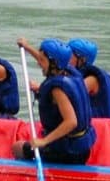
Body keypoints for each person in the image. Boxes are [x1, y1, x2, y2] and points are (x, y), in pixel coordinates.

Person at [13, 37, 95, 165]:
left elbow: (71, 122)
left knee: (17, 147)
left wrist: (44, 141)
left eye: (41, 60)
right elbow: (48, 59)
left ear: (53, 63)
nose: (38, 63)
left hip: (68, 152)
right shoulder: (71, 72)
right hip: (81, 148)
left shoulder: (57, 90)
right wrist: (27, 47)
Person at [67, 37, 110, 118]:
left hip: (102, 126)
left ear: (82, 59)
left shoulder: (92, 79)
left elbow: (68, 95)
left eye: (69, 55)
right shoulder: (80, 76)